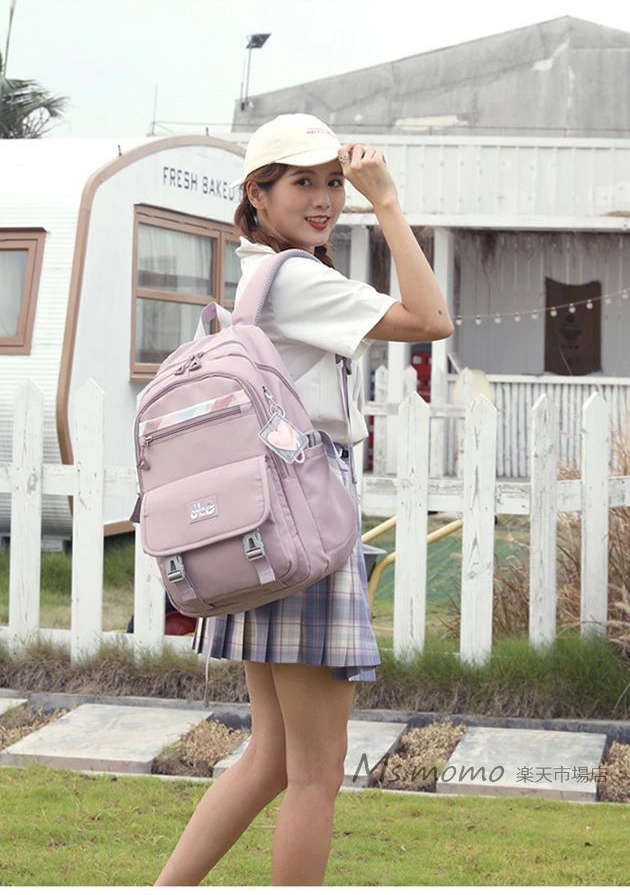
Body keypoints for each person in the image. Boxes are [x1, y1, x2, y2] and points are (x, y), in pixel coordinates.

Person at [153, 113, 453, 887]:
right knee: (316, 771)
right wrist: (387, 202)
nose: (324, 200)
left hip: (269, 522)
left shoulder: (259, 276)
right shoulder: (298, 280)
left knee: (271, 758)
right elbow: (433, 319)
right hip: (306, 526)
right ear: (257, 193)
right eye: (302, 183)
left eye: (333, 183)